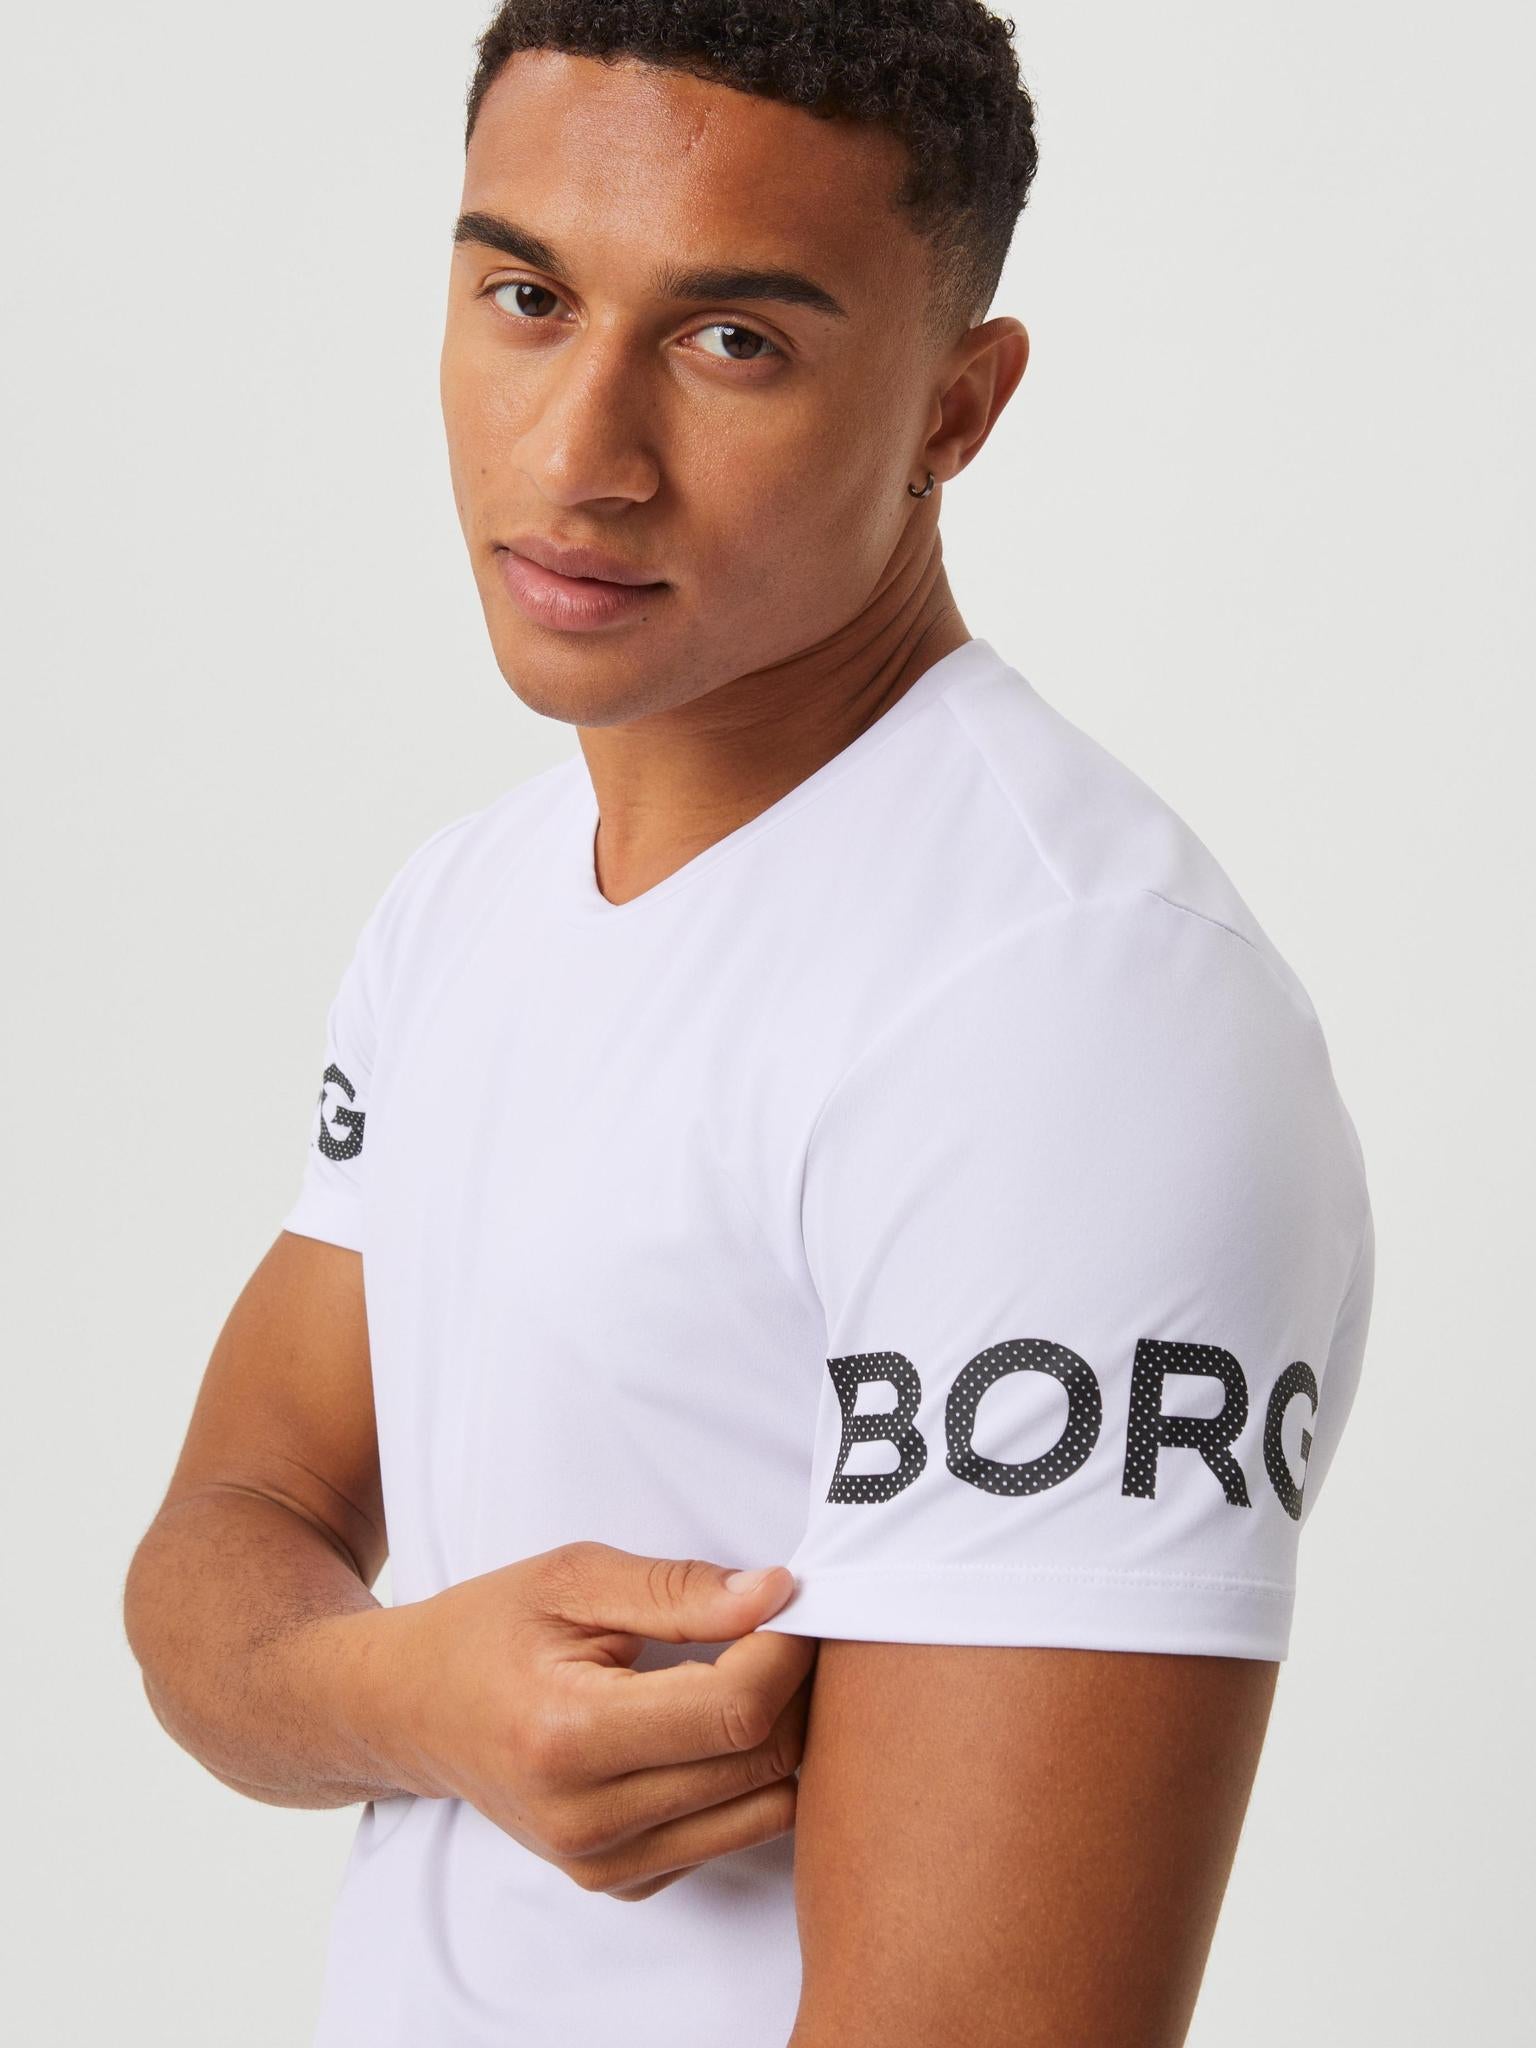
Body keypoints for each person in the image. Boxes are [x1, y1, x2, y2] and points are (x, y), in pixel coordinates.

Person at [122, 6, 1375, 2044]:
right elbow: (219, 1546)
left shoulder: (1073, 1015)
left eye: (732, 341)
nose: (577, 458)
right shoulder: (463, 905)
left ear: (957, 408)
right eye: (528, 297)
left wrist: (385, 1691)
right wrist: (412, 1693)